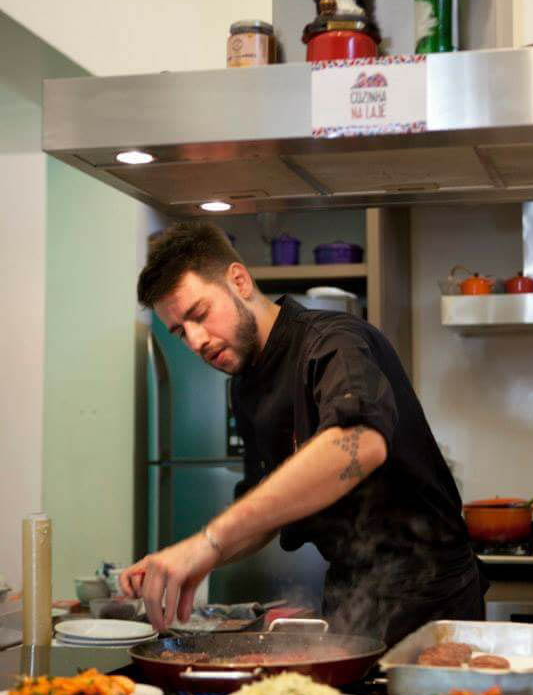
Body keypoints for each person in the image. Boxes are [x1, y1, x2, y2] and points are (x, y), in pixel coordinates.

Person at [121, 221, 488, 644]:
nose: (196, 340)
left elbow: (360, 444)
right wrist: (195, 558)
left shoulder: (333, 342)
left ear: (239, 280)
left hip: (432, 597)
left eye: (199, 315)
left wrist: (209, 541)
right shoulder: (245, 386)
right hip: (351, 594)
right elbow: (267, 513)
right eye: (180, 332)